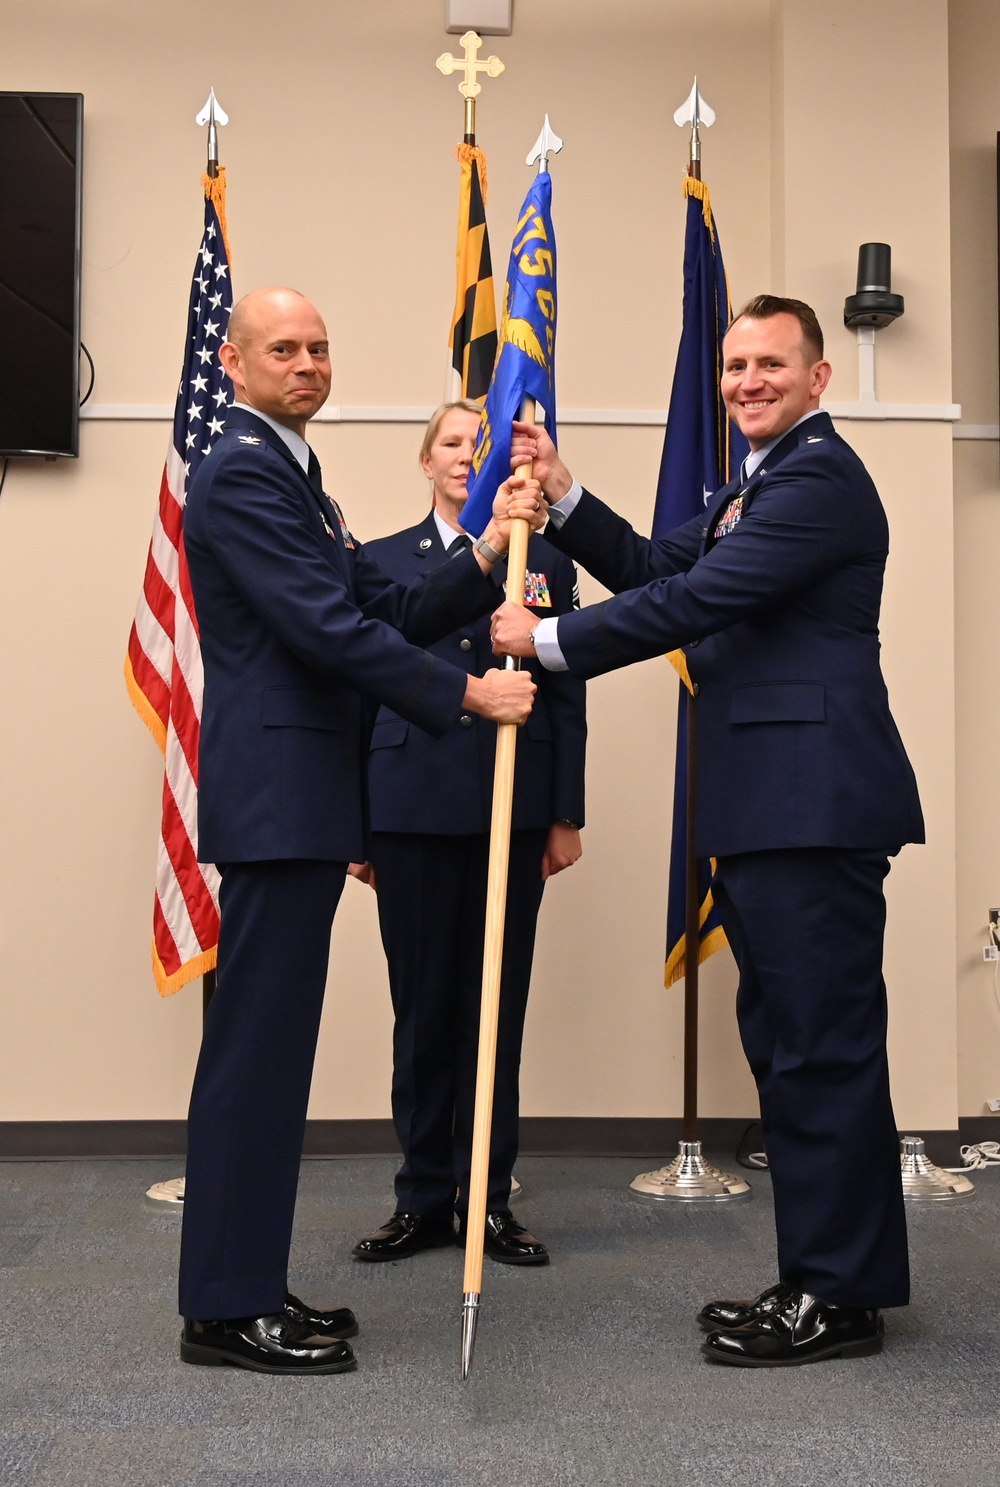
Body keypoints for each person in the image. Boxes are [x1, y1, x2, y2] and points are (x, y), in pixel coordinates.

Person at [491, 295, 924, 1368]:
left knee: (819, 1050)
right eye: (733, 366)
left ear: (818, 378)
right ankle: (819, 1278)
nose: (744, 383)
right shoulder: (756, 483)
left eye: (768, 365)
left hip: (810, 803)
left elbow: (698, 603)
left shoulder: (820, 480)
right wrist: (564, 494)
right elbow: (651, 568)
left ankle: (838, 1295)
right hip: (767, 804)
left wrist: (543, 640)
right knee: (787, 1049)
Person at [178, 288, 543, 1375]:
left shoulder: (291, 469)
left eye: (319, 348)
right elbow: (326, 629)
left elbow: (374, 608)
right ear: (234, 365)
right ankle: (227, 1308)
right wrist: (468, 696)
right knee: (256, 1058)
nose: (305, 363)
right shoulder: (241, 468)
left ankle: (245, 1284)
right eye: (281, 348)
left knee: (271, 1054)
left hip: (297, 795)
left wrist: (478, 562)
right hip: (278, 797)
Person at [350, 400, 587, 1268]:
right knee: (421, 1011)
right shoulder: (381, 562)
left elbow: (568, 690)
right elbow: (358, 689)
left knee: (496, 1009)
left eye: (481, 447)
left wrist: (564, 812)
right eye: (452, 444)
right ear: (426, 462)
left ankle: (486, 1197)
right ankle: (421, 1197)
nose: (467, 459)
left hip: (509, 806)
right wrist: (356, 822)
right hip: (407, 805)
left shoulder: (546, 562)